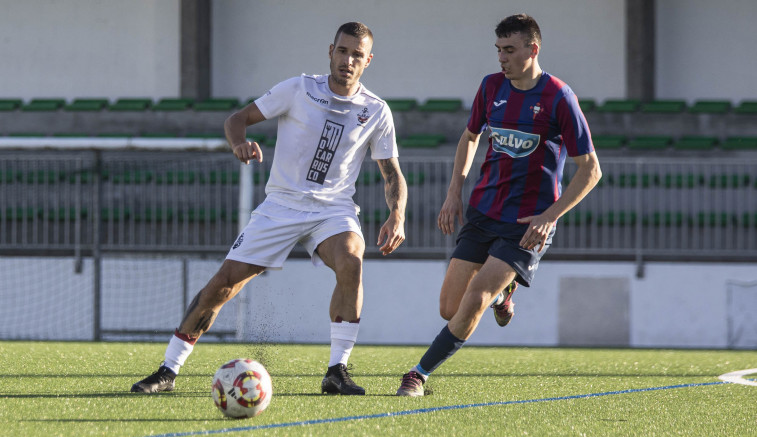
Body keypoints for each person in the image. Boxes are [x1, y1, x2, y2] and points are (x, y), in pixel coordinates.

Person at [131, 21, 407, 396]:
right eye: (342, 51)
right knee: (223, 286)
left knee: (352, 260)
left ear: (368, 60)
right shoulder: (298, 88)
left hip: (333, 209)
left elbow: (392, 174)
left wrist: (398, 214)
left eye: (357, 55)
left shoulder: (376, 110)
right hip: (280, 206)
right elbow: (236, 120)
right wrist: (239, 143)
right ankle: (168, 370)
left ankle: (337, 371)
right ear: (330, 51)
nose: (348, 60)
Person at [396, 14, 601, 396]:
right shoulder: (491, 87)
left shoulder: (559, 97)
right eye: (498, 50)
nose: (501, 58)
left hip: (526, 223)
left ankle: (419, 374)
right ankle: (506, 295)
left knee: (475, 300)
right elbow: (470, 136)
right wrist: (454, 190)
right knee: (449, 307)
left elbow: (591, 170)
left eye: (509, 50)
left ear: (532, 49)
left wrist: (549, 217)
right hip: (484, 210)